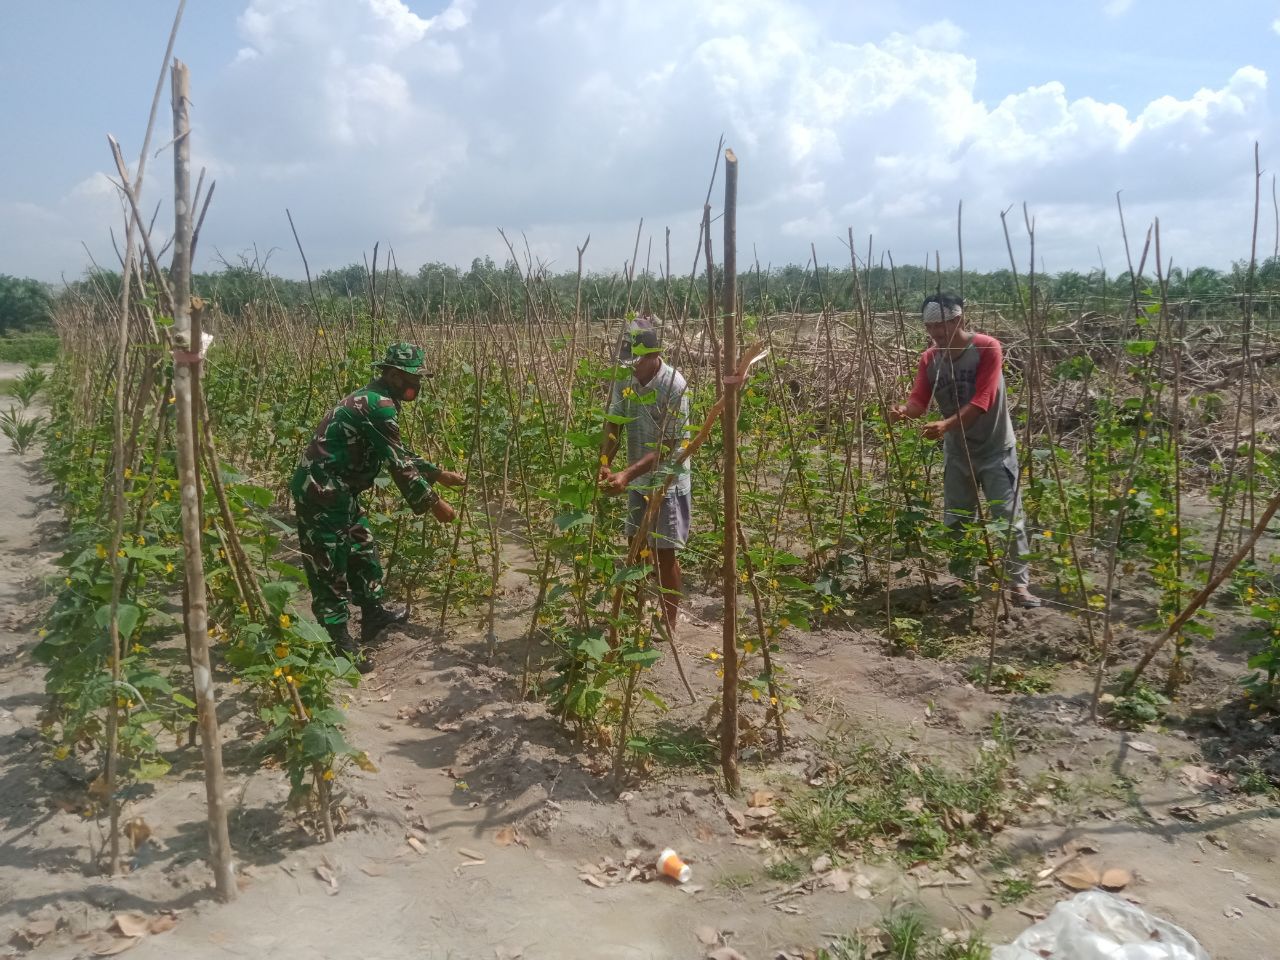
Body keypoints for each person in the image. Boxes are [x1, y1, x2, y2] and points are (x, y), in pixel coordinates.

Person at [290, 342, 464, 668]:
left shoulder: (376, 399)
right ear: (396, 375)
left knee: (361, 546)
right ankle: (338, 640)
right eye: (415, 377)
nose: (419, 384)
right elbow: (399, 465)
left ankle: (373, 615)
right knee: (330, 564)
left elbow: (396, 450)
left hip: (339, 492)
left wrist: (438, 474)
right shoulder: (378, 405)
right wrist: (434, 503)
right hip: (321, 492)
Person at [888, 292, 1040, 607]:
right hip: (958, 453)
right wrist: (904, 410)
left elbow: (983, 400)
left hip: (995, 450)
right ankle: (961, 578)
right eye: (930, 327)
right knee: (956, 520)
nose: (936, 333)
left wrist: (945, 426)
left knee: (1008, 519)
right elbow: (920, 399)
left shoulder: (987, 348)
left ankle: (1019, 585)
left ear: (959, 320)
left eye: (942, 325)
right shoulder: (930, 359)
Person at [597, 317, 692, 635]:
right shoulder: (625, 378)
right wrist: (605, 462)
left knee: (664, 555)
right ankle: (634, 612)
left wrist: (627, 472)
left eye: (636, 362)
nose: (631, 369)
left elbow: (669, 446)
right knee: (634, 547)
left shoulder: (674, 385)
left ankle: (669, 623)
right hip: (635, 476)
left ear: (653, 356)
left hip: (667, 482)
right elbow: (614, 422)